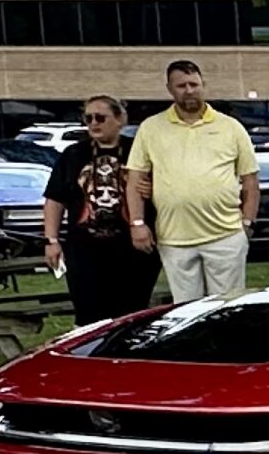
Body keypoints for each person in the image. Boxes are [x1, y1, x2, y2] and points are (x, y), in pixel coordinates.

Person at [124, 59, 258, 303]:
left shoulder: (231, 127)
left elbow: (250, 180)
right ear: (169, 89)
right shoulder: (151, 128)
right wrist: (137, 223)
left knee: (227, 307)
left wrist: (247, 223)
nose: (189, 90)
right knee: (186, 310)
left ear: (203, 84)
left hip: (225, 234)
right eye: (181, 85)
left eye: (194, 84)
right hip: (174, 238)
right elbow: (135, 180)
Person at [42, 95, 159, 324]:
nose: (94, 123)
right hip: (85, 249)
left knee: (132, 313)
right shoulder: (73, 155)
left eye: (100, 117)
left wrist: (153, 189)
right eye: (88, 118)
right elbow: (55, 199)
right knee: (89, 315)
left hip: (132, 249)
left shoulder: (140, 152)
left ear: (119, 119)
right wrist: (51, 240)